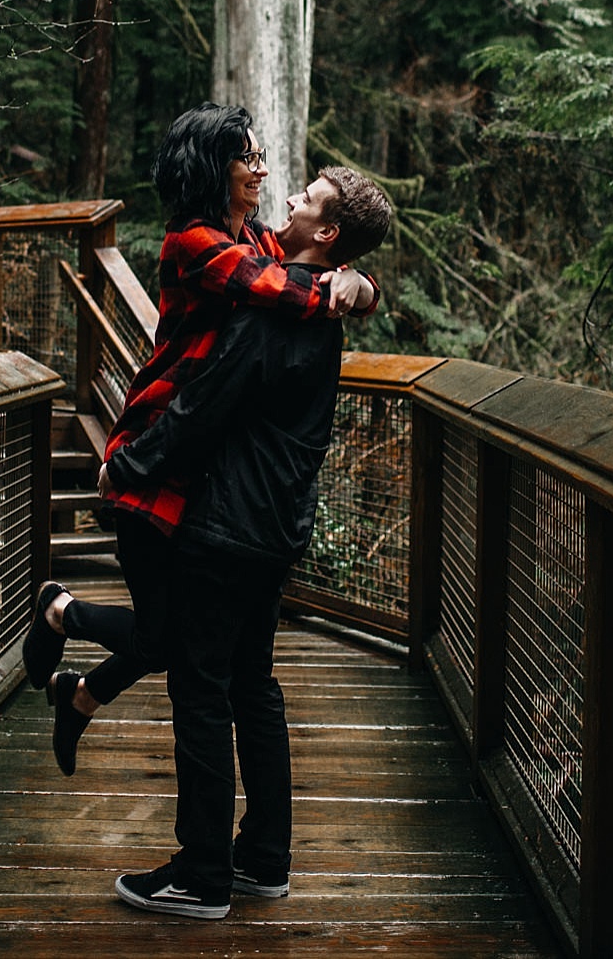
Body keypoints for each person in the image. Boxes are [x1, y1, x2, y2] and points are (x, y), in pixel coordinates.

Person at [20, 104, 377, 775]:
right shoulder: (195, 240)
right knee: (173, 640)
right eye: (249, 157)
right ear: (215, 167)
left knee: (174, 639)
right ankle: (58, 614)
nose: (264, 170)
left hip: (195, 467)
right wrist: (341, 289)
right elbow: (273, 285)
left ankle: (76, 679)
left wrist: (358, 281)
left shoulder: (254, 233)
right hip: (156, 442)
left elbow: (307, 262)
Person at [104, 166, 395, 920]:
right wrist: (358, 284)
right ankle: (263, 858)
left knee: (201, 693)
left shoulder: (271, 316)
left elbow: (199, 409)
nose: (291, 197)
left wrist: (126, 466)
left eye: (308, 198)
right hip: (277, 529)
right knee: (254, 687)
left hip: (225, 527)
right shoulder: (316, 304)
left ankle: (201, 874)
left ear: (326, 233)